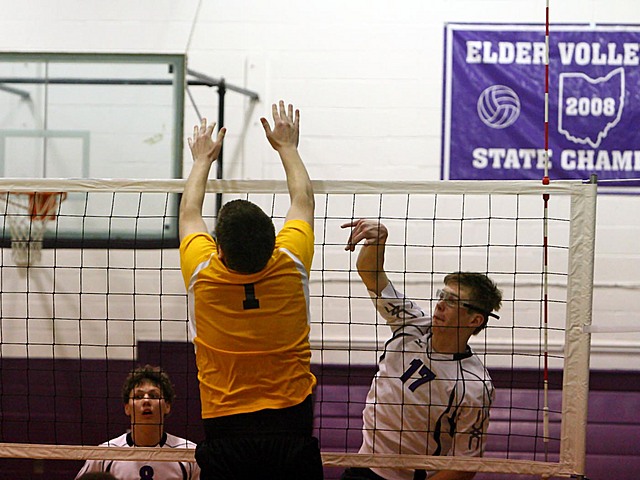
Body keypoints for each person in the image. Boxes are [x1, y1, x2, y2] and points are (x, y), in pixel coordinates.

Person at [179, 101, 323, 479]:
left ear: (219, 250)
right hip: (291, 423)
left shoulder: (203, 274)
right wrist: (287, 147)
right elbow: (303, 200)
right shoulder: (290, 262)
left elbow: (189, 212)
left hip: (225, 426)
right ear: (274, 240)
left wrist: (201, 160)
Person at [340, 219, 502, 480]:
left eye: (452, 301)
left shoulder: (474, 384)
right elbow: (371, 275)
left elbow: (464, 466)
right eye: (442, 296)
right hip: (362, 467)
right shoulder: (411, 323)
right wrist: (378, 241)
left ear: (475, 320)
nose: (440, 305)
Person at [75, 365, 200, 480]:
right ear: (127, 408)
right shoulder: (104, 455)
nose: (146, 400)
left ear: (167, 406)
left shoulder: (188, 454)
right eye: (138, 397)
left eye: (154, 396)